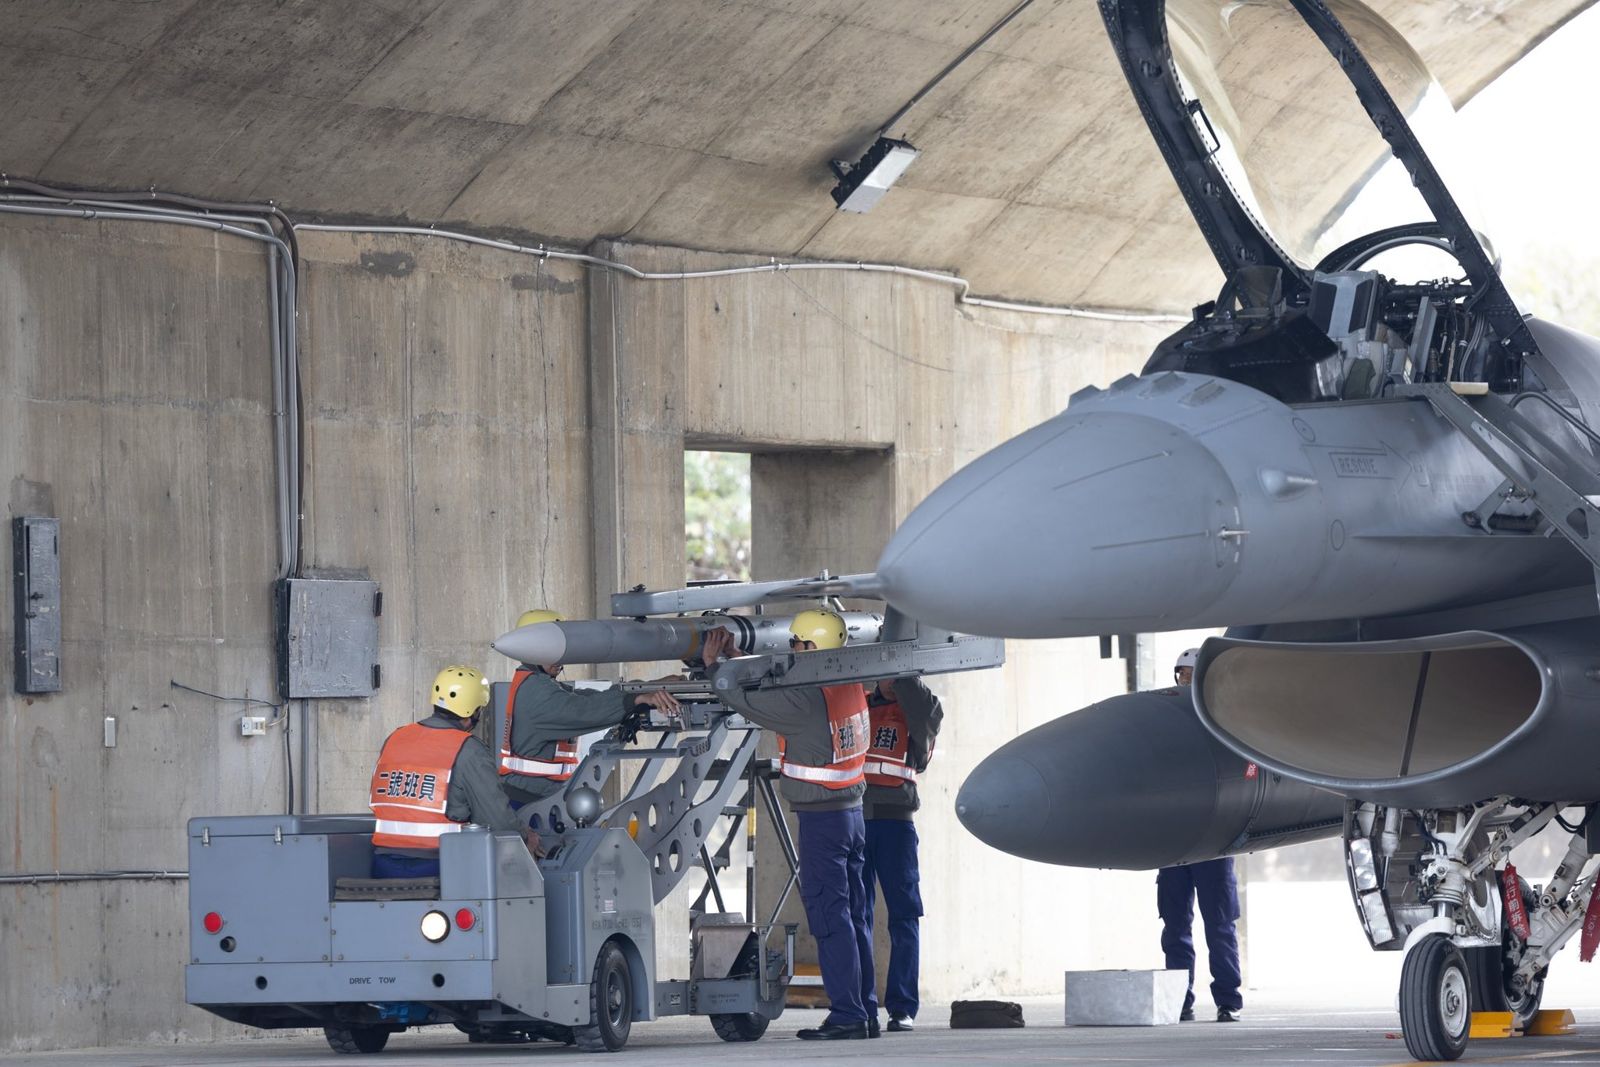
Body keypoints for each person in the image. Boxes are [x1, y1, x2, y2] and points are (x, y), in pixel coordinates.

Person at [700, 610, 877, 1041]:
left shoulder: (804, 703)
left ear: (813, 649)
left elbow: (747, 700)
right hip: (851, 815)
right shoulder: (848, 683)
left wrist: (714, 667)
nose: (793, 650)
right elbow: (777, 687)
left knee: (830, 918)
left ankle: (848, 1015)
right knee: (854, 916)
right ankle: (865, 1011)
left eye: (797, 644)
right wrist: (741, 655)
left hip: (823, 823)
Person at [498, 609, 681, 812]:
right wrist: (636, 698)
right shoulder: (536, 692)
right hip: (528, 802)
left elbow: (590, 698)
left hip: (537, 797)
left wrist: (648, 687)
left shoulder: (540, 684)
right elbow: (583, 710)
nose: (561, 659)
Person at [368, 665, 534, 878]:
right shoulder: (468, 748)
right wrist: (527, 837)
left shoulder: (395, 738)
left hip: (383, 865)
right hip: (440, 865)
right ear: (474, 712)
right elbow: (497, 818)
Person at [1157, 646, 1243, 1023]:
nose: (1186, 681)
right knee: (1175, 928)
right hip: (1174, 847)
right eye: (1182, 675)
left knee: (1219, 927)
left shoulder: (1223, 720)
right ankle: (1181, 999)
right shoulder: (1167, 722)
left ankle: (1228, 1000)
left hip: (1212, 847)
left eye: (1192, 675)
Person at [862, 674, 942, 1033]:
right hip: (854, 823)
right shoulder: (858, 704)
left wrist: (903, 675)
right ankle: (861, 1005)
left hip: (897, 825)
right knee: (854, 917)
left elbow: (924, 708)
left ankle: (902, 1008)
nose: (892, 680)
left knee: (904, 918)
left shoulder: (921, 712)